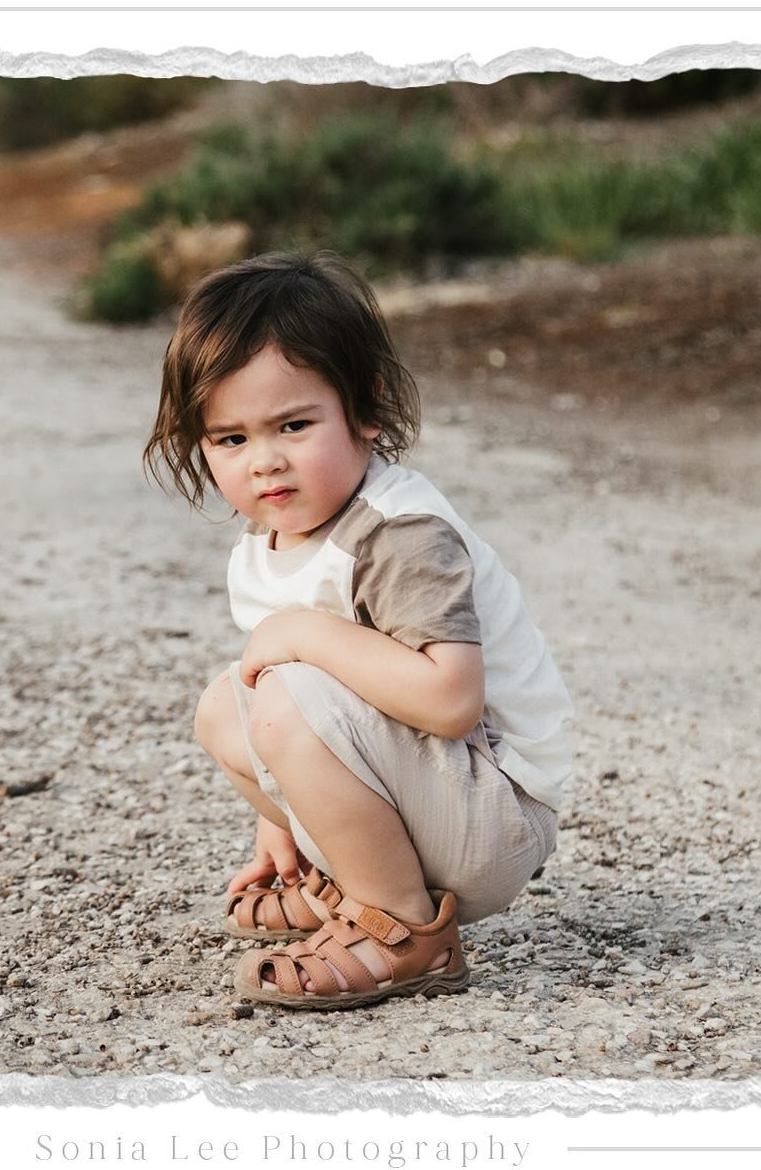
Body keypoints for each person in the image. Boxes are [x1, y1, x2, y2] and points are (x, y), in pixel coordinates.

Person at [144, 250, 573, 1010]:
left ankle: (402, 926)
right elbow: (302, 709)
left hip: (494, 811)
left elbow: (450, 702)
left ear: (366, 408)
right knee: (224, 703)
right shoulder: (265, 542)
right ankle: (348, 879)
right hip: (428, 797)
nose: (264, 462)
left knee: (283, 689)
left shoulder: (399, 534)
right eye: (230, 439)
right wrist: (282, 827)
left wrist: (305, 631)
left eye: (293, 425)